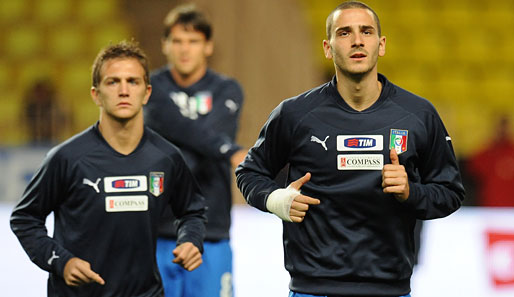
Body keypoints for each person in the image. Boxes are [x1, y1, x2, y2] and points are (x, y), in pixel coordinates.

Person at [235, 2, 465, 296]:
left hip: (389, 289)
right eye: (344, 33)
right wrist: (275, 199)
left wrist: (412, 192)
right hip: (312, 288)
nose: (357, 40)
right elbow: (249, 172)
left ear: (380, 45)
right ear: (328, 48)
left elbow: (451, 192)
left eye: (366, 32)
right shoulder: (294, 114)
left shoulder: (419, 115)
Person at [10, 40, 207, 297]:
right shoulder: (67, 158)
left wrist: (191, 240)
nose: (123, 91)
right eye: (113, 82)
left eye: (132, 82)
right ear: (96, 94)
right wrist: (61, 261)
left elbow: (192, 210)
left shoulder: (166, 157)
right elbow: (25, 218)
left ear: (146, 93)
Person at [144, 4, 244, 297]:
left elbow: (204, 137)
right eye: (176, 41)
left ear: (208, 46)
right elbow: (210, 139)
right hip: (157, 230)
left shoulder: (227, 89)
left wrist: (176, 136)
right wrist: (228, 150)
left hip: (211, 230)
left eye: (193, 41)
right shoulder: (150, 87)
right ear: (164, 45)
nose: (184, 49)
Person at [466, 115, 514, 207]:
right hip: (490, 208)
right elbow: (470, 168)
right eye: (500, 127)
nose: (502, 131)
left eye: (504, 127)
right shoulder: (487, 153)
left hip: (511, 209)